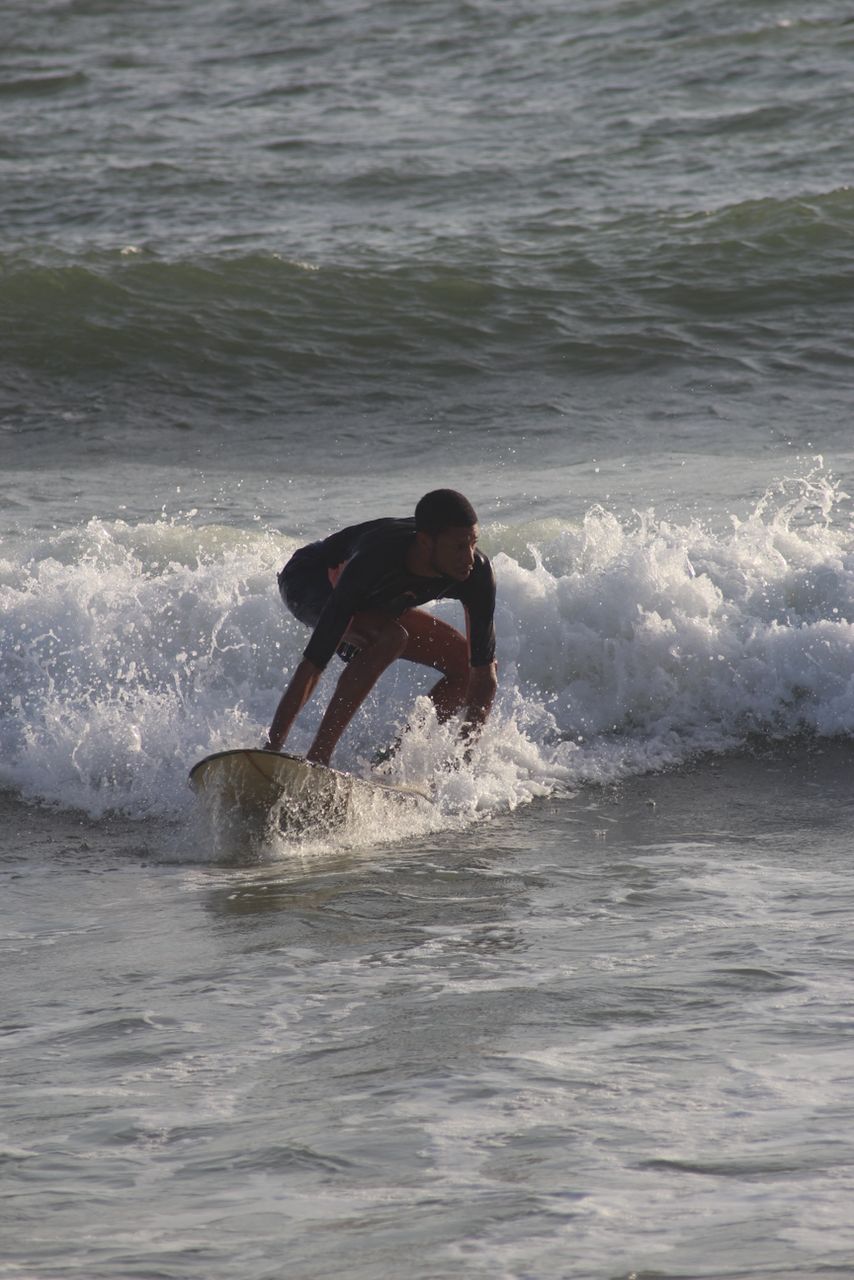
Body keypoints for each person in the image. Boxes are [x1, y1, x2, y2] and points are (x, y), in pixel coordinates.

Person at [267, 489, 497, 767]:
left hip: (379, 600)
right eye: (459, 547)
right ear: (425, 542)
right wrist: (272, 750)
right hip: (312, 580)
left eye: (473, 543)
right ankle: (318, 758)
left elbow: (483, 677)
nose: (469, 557)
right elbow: (313, 664)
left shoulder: (476, 574)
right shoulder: (374, 560)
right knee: (390, 638)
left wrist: (464, 759)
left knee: (463, 663)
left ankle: (392, 761)